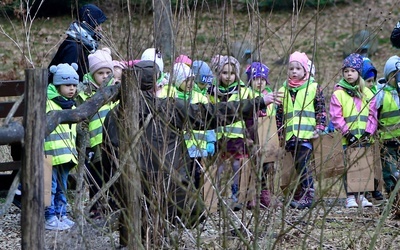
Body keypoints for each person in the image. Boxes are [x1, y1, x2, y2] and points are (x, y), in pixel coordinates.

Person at [102, 60, 283, 233]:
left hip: (127, 189)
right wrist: (258, 102)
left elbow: (106, 158)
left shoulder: (113, 115)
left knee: (135, 227)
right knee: (192, 214)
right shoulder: (168, 107)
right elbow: (212, 114)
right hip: (169, 186)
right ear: (154, 86)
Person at [276, 51, 327, 209]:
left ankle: (308, 193)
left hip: (306, 135)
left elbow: (321, 110)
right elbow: (279, 115)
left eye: (298, 68)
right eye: (291, 68)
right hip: (290, 136)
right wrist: (279, 134)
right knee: (295, 166)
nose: (294, 72)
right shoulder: (283, 90)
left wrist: (320, 127)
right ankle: (300, 192)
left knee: (303, 163)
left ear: (305, 70)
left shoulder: (313, 87)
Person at [330, 53, 377, 208]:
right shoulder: (338, 94)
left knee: (363, 165)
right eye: (346, 71)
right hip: (347, 138)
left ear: (359, 73)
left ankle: (362, 195)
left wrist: (368, 132)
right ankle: (350, 196)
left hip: (364, 137)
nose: (349, 74)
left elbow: (372, 114)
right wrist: (347, 133)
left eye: (352, 71)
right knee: (348, 165)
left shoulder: (368, 93)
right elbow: (336, 116)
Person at [208, 55, 254, 210]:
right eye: (225, 72)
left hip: (238, 137)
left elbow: (249, 117)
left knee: (237, 166)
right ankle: (216, 195)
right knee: (218, 167)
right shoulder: (213, 92)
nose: (228, 76)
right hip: (220, 136)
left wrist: (250, 136)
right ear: (219, 73)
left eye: (232, 73)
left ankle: (237, 195)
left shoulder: (244, 92)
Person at [76, 47, 116, 218]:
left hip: (113, 142)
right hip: (94, 142)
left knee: (113, 175)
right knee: (96, 177)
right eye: (101, 73)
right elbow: (80, 120)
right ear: (93, 74)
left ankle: (113, 205)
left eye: (108, 72)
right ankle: (96, 206)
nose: (105, 76)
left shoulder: (117, 90)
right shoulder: (85, 93)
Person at [45, 63, 80, 230]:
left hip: (66, 154)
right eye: (67, 85)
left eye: (74, 85)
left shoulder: (72, 104)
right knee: (49, 187)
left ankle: (61, 213)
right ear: (57, 85)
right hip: (48, 153)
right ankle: (48, 216)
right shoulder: (48, 103)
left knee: (62, 186)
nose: (72, 88)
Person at [171, 62, 216, 189]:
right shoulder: (170, 96)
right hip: (178, 149)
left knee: (197, 176)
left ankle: (197, 204)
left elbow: (209, 120)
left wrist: (211, 140)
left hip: (198, 148)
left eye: (192, 80)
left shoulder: (200, 98)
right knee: (182, 178)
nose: (190, 83)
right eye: (186, 80)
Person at [245, 61, 281, 209]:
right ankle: (251, 195)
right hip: (251, 137)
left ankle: (265, 193)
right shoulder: (247, 96)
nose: (259, 82)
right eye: (255, 79)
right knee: (252, 167)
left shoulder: (271, 97)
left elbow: (276, 118)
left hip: (267, 138)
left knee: (267, 165)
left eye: (262, 79)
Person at [48, 4, 107, 82]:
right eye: (98, 24)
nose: (100, 29)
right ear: (88, 24)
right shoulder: (74, 47)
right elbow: (66, 79)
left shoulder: (86, 44)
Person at [375, 55, 400, 197]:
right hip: (387, 138)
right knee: (389, 168)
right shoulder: (382, 93)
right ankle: (391, 192)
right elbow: (375, 114)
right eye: (393, 75)